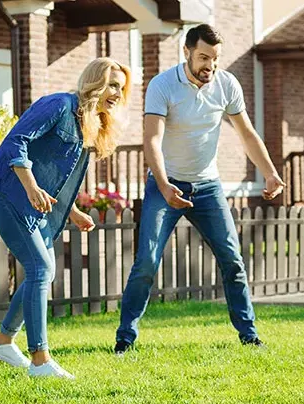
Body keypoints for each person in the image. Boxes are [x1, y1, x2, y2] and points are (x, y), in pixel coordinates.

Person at [113, 24, 286, 355]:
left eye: (216, 58)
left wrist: (270, 173)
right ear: (187, 52)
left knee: (232, 260)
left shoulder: (226, 84)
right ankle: (125, 338)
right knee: (147, 261)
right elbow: (152, 139)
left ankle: (249, 336)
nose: (211, 65)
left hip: (207, 186)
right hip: (165, 184)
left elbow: (247, 133)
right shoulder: (162, 85)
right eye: (204, 57)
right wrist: (163, 185)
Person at [0, 57, 132, 378]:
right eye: (112, 85)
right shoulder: (58, 105)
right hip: (5, 192)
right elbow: (15, 142)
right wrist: (31, 186)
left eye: (121, 87)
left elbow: (59, 177)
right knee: (41, 268)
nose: (118, 93)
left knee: (43, 273)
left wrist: (73, 211)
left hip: (32, 201)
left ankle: (4, 342)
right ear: (95, 82)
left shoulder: (88, 123)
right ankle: (40, 360)